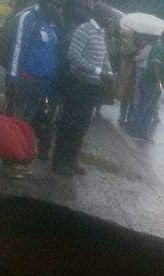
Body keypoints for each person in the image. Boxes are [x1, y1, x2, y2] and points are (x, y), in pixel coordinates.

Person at [51, 3, 112, 175]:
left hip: (93, 87)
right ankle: (59, 162)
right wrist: (98, 71)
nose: (110, 19)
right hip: (78, 85)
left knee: (82, 126)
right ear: (98, 15)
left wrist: (109, 72)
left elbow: (104, 56)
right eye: (108, 16)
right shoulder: (83, 30)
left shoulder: (101, 33)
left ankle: (71, 160)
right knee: (69, 124)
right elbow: (73, 56)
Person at [6, 0, 61, 160]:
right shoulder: (29, 17)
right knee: (17, 121)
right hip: (25, 80)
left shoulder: (50, 23)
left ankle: (18, 157)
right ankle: (10, 159)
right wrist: (13, 78)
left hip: (41, 84)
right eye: (54, 4)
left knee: (26, 123)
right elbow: (18, 48)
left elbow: (50, 53)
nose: (56, 7)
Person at [129, 29, 164, 140]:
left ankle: (143, 133)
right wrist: (159, 83)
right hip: (151, 82)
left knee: (149, 109)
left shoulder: (162, 48)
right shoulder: (159, 48)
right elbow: (155, 65)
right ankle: (136, 132)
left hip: (153, 83)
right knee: (144, 107)